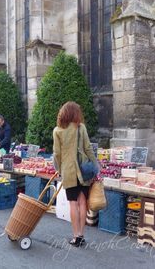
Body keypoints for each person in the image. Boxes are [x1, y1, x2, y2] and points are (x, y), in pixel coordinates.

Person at [53, 101, 97, 247]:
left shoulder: (57, 131)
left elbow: (57, 154)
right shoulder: (81, 127)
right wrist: (96, 166)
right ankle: (82, 235)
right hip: (84, 170)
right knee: (83, 202)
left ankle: (75, 236)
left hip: (68, 171)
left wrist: (59, 169)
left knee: (73, 203)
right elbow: (88, 148)